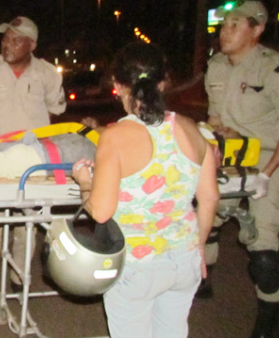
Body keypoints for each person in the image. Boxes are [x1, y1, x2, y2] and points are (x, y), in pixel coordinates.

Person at [72, 42, 219, 338]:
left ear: (117, 85)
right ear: (164, 83)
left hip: (138, 266)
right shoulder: (192, 129)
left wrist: (85, 182)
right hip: (183, 261)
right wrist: (199, 247)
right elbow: (209, 198)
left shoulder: (115, 137)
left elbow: (101, 211)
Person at [202, 0, 279, 338]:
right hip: (233, 150)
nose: (225, 31)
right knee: (207, 210)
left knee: (262, 238)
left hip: (272, 152)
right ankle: (202, 278)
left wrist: (267, 174)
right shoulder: (216, 66)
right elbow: (216, 116)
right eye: (223, 25)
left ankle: (270, 314)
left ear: (257, 30)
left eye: (235, 25)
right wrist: (214, 135)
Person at [0, 16, 66, 306]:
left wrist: (46, 148)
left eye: (15, 39)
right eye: (5, 37)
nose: (6, 43)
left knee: (26, 223)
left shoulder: (48, 74)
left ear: (31, 45)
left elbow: (55, 113)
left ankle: (19, 280)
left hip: (34, 162)